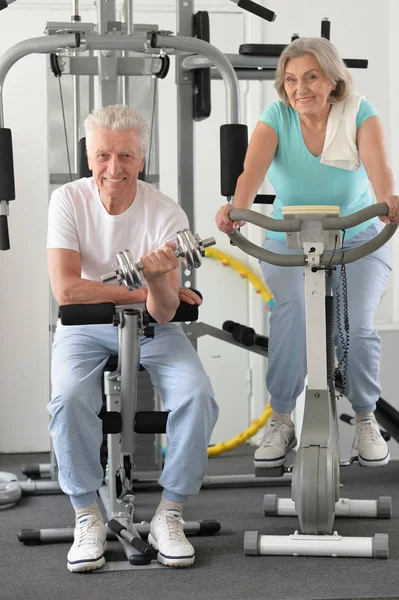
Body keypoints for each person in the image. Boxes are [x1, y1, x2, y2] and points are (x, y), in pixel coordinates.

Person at [47, 104, 218, 572]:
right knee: (67, 399)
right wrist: (144, 285)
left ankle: (171, 512)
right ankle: (87, 513)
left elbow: (164, 312)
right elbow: (66, 289)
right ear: (89, 157)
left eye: (125, 156)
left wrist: (161, 283)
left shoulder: (165, 213)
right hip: (83, 327)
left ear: (141, 159)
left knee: (197, 394)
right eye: (103, 155)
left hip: (152, 329)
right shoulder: (67, 200)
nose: (114, 168)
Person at [216, 37, 399, 471]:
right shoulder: (276, 117)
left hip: (355, 236)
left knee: (355, 322)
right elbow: (252, 171)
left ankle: (365, 417)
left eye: (311, 77)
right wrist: (237, 209)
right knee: (292, 311)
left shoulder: (359, 112)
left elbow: (379, 169)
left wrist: (389, 199)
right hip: (289, 236)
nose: (300, 88)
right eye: (292, 79)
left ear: (333, 80)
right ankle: (281, 417)